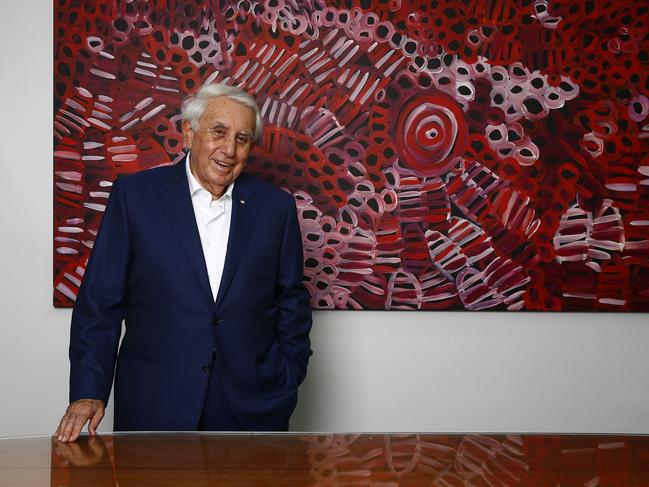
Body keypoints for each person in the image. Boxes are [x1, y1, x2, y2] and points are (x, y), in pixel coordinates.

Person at [56, 82, 313, 442]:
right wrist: (88, 391)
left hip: (250, 407)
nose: (229, 149)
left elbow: (291, 301)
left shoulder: (276, 208)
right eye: (219, 133)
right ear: (189, 134)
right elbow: (100, 303)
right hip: (154, 404)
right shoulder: (135, 198)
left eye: (242, 139)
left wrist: (287, 371)